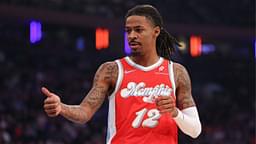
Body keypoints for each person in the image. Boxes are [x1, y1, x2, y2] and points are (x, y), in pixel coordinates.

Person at [42, 4, 202, 144]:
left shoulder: (176, 72)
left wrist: (175, 113)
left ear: (156, 32)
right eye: (128, 30)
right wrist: (61, 108)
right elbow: (85, 112)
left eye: (139, 30)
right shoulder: (111, 70)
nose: (132, 35)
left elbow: (195, 130)